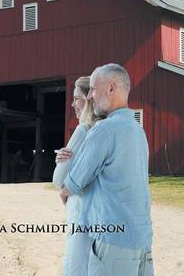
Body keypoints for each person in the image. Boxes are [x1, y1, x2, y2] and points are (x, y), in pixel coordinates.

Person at [60, 64, 154, 276]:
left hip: (114, 241)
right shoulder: (137, 130)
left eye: (93, 89)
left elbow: (74, 182)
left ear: (111, 88)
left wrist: (64, 192)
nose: (90, 96)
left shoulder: (105, 129)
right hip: (142, 239)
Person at [52, 76, 101, 275]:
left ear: (89, 99)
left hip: (80, 209)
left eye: (77, 98)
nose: (73, 104)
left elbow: (58, 180)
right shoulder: (103, 130)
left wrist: (60, 165)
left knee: (76, 264)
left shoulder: (83, 130)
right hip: (98, 210)